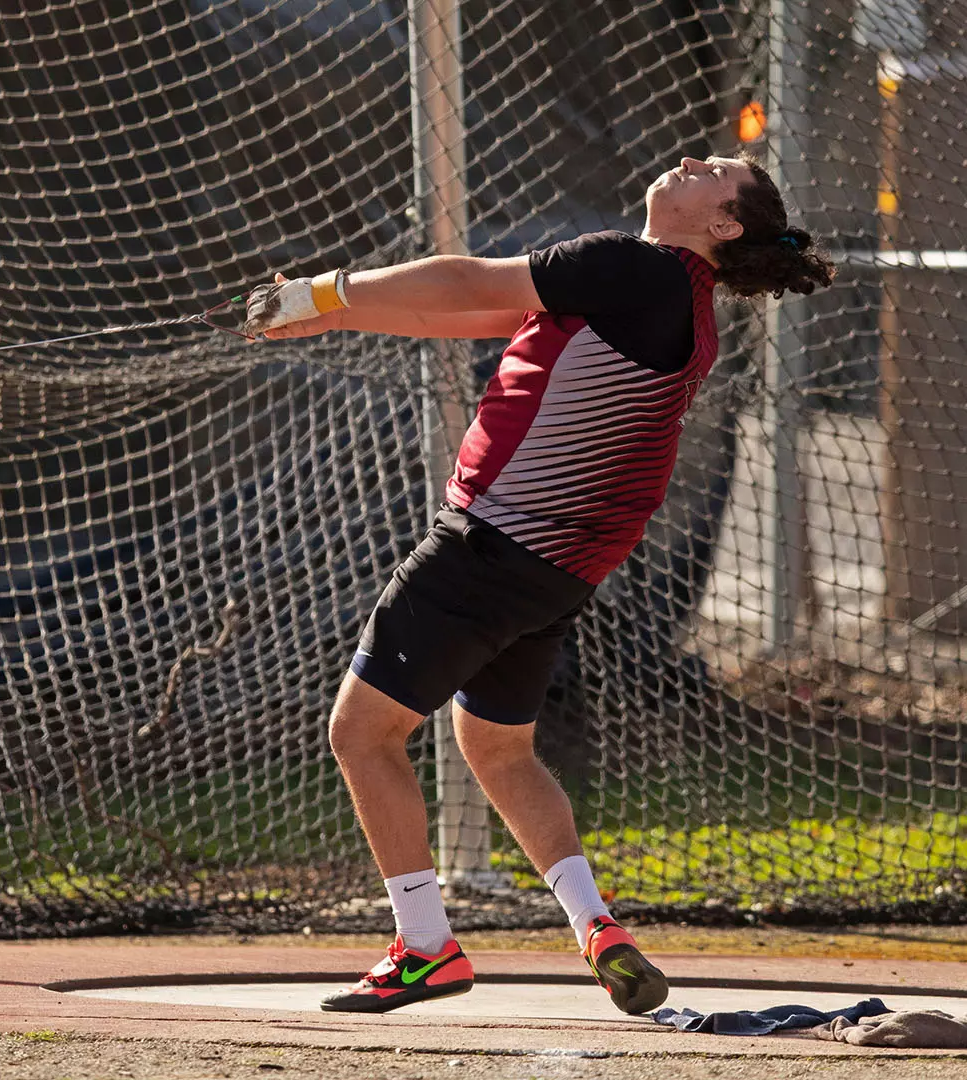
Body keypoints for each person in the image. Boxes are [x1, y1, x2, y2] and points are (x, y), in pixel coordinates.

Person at [241, 152, 835, 1015]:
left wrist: (327, 290)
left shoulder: (635, 266)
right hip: (554, 573)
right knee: (497, 748)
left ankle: (424, 947)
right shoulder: (670, 296)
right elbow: (475, 307)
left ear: (725, 225)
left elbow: (466, 278)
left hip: (488, 547)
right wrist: (339, 314)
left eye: (715, 172)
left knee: (361, 735)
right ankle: (598, 927)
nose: (689, 159)